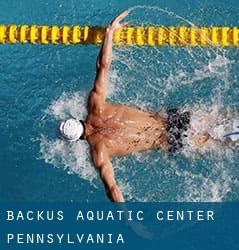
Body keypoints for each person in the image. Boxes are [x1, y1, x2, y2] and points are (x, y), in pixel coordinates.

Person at [58, 11, 210, 202]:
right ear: (76, 119)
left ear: (76, 140)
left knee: (227, 141)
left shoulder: (99, 152)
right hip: (172, 118)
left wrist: (130, 221)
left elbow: (112, 189)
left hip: (171, 140)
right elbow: (103, 66)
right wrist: (109, 33)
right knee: (226, 118)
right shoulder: (95, 105)